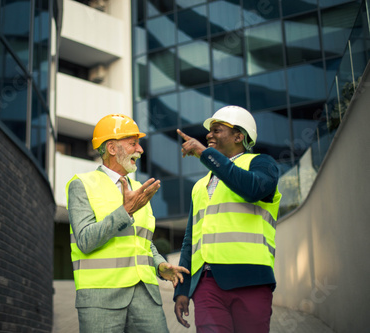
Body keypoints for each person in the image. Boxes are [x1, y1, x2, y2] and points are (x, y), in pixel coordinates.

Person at [66, 114, 190, 333]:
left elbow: (143, 242)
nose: (140, 149)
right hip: (100, 299)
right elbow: (85, 240)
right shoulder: (82, 185)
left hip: (146, 297)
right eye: (133, 143)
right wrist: (126, 211)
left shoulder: (139, 188)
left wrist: (160, 265)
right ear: (112, 148)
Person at [173, 105, 282, 333]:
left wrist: (205, 154)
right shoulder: (199, 186)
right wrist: (182, 290)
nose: (209, 135)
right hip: (207, 283)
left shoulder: (262, 164)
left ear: (238, 136)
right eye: (209, 131)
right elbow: (190, 240)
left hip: (251, 279)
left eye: (217, 130)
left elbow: (252, 189)